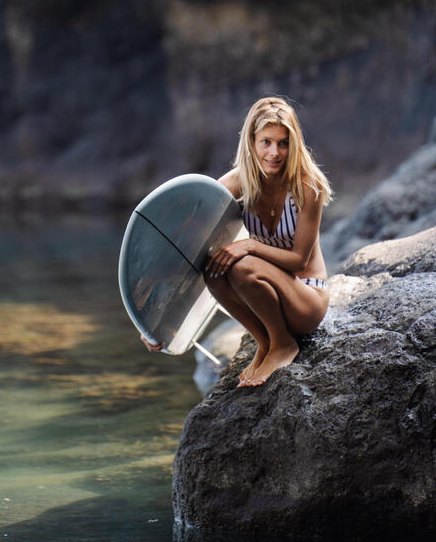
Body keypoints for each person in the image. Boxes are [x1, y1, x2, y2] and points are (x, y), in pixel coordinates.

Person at [142, 96, 333, 388]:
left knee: (241, 265)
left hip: (305, 301)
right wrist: (151, 322)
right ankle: (265, 342)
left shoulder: (308, 186)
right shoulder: (236, 184)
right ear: (252, 142)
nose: (275, 152)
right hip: (269, 300)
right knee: (213, 268)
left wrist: (251, 245)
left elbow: (299, 261)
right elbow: (187, 250)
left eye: (284, 143)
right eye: (266, 142)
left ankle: (284, 344)